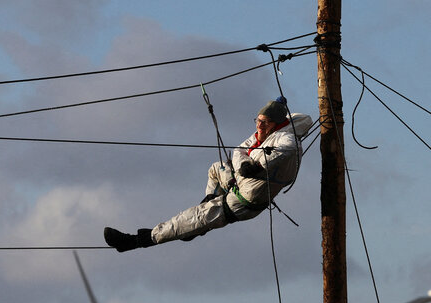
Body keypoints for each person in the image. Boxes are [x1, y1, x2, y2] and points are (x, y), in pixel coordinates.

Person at [104, 97, 311, 252]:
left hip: (244, 202)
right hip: (242, 181)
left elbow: (286, 151)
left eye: (264, 122)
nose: (259, 125)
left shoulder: (286, 139)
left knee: (190, 218)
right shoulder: (263, 133)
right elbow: (239, 150)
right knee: (216, 168)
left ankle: (134, 241)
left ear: (276, 124)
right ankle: (209, 202)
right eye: (258, 120)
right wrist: (244, 166)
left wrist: (258, 165)